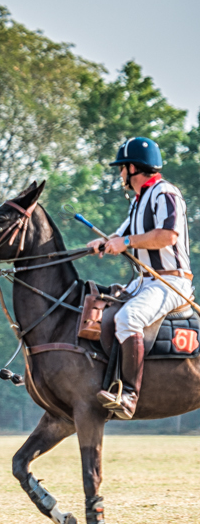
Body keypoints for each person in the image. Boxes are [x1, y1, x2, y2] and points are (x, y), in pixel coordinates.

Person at [88, 137, 192, 420]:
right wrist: (102, 243)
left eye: (122, 168)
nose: (120, 173)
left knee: (128, 318)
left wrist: (126, 241)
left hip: (170, 281)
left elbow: (167, 235)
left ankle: (129, 395)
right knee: (103, 308)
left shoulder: (164, 193)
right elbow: (120, 237)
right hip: (144, 281)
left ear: (133, 167)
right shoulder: (139, 200)